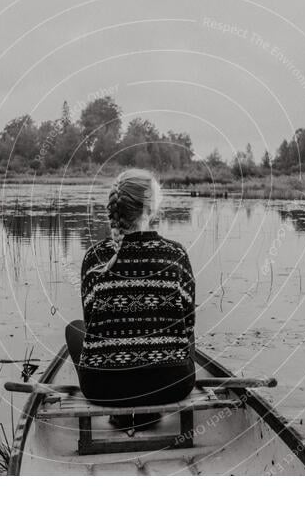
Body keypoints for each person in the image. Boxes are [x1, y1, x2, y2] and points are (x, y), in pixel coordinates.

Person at [65, 168, 195, 427]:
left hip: (102, 388)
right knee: (182, 335)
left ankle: (121, 412)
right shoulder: (176, 255)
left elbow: (92, 325)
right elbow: (188, 327)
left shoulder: (94, 258)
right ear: (150, 209)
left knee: (75, 329)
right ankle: (149, 410)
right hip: (173, 385)